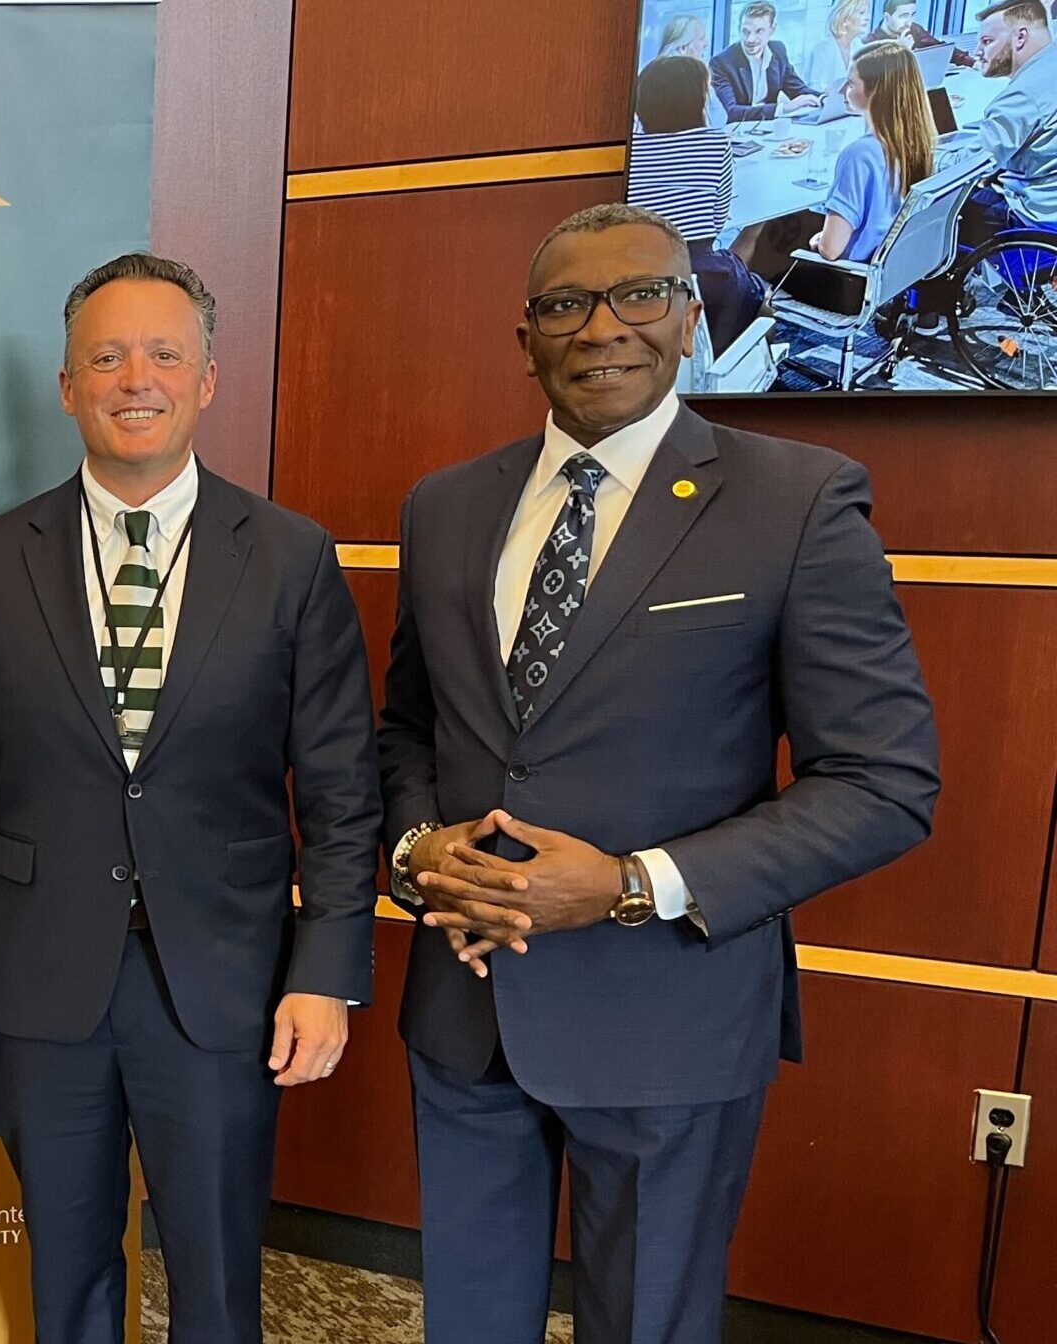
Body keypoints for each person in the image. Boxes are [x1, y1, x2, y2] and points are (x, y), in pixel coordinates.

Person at [379, 203, 939, 1344]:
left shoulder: (796, 501)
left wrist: (630, 884)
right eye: (565, 304)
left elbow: (883, 782)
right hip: (466, 1005)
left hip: (666, 1020)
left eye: (639, 295)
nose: (602, 328)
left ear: (689, 319)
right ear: (524, 336)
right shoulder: (444, 508)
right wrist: (415, 851)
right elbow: (409, 730)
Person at [0, 253, 381, 1344]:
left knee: (215, 1279)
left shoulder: (291, 558)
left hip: (222, 984)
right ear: (66, 386)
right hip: (38, 981)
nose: (134, 378)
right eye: (104, 357)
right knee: (64, 1274)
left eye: (164, 353)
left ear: (206, 379)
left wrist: (326, 975)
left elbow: (344, 794)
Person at [629, 54, 768, 350]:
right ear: (697, 101)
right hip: (702, 274)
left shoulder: (629, 150)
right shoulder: (716, 143)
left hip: (638, 277)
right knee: (758, 296)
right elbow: (717, 222)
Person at [818, 40, 940, 262]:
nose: (842, 91)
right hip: (891, 269)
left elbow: (831, 249)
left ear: (876, 92)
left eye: (851, 84)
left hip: (847, 279)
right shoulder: (918, 142)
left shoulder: (858, 155)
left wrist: (820, 239)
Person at [969, 0, 1057, 232]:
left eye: (987, 42)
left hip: (1033, 215)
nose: (977, 52)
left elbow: (972, 165)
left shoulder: (1024, 94)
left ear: (1020, 37)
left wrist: (919, 157)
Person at [713, 1, 824, 120]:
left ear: (772, 29)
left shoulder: (778, 51)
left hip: (769, 128)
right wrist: (783, 109)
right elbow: (731, 112)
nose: (750, 39)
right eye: (745, 31)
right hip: (737, 131)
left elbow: (798, 89)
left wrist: (824, 99)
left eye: (759, 31)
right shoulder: (721, 63)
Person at [656, 15, 734, 124]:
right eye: (701, 39)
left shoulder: (649, 74)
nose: (706, 44)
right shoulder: (692, 79)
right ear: (682, 48)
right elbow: (718, 121)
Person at [798, 0, 875, 97]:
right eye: (861, 13)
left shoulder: (858, 46)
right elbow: (816, 88)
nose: (867, 18)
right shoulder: (822, 48)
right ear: (845, 18)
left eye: (867, 13)